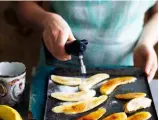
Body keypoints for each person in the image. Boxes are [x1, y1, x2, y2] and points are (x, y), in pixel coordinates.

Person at [17, 1, 158, 82]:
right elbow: (23, 5)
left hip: (127, 67)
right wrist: (47, 19)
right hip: (58, 66)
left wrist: (146, 42)